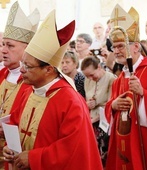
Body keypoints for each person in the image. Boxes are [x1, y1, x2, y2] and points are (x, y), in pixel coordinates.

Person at [2, 10, 103, 170]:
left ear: (49, 69)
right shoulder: (29, 91)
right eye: (23, 64)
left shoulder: (70, 101)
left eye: (27, 66)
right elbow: (15, 124)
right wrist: (9, 147)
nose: (21, 70)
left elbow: (72, 149)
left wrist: (34, 158)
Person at [105, 4, 147, 170]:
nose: (116, 51)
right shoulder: (120, 78)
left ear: (135, 47)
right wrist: (113, 106)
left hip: (146, 143)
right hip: (123, 142)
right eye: (114, 47)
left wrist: (144, 94)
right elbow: (111, 104)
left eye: (121, 46)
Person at [0, 2, 40, 170]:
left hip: (15, 155)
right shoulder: (1, 75)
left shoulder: (33, 83)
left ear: (27, 49)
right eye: (3, 44)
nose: (3, 50)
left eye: (10, 46)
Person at [81, 56, 116, 167]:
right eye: (87, 76)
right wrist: (87, 105)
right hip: (90, 118)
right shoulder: (87, 80)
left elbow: (111, 105)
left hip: (105, 122)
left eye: (92, 75)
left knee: (103, 154)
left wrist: (93, 120)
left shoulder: (112, 79)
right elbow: (86, 100)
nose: (90, 78)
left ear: (99, 67)